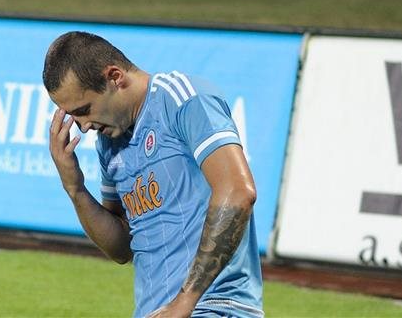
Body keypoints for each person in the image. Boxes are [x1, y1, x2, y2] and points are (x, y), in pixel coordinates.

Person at [42, 31, 261, 318]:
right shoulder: (110, 143)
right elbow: (121, 248)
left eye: (84, 110)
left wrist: (185, 301)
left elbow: (238, 192)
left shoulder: (183, 98)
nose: (82, 126)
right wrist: (75, 188)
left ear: (115, 77)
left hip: (215, 307)